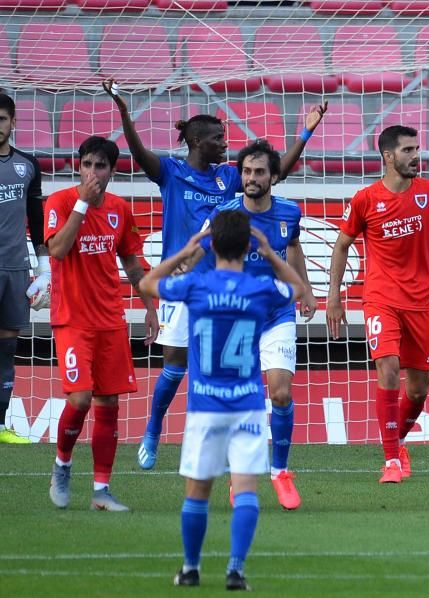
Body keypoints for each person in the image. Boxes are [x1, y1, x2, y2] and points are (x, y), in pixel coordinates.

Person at [100, 78, 326, 471]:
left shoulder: (229, 178)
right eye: (219, 138)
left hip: (221, 281)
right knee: (175, 363)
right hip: (182, 280)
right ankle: (153, 429)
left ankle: (232, 451)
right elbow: (137, 153)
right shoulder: (170, 171)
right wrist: (123, 111)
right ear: (197, 142)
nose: (226, 143)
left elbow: (276, 172)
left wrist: (305, 131)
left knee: (219, 371)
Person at [139, 211, 305, 590]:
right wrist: (272, 253)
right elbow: (297, 290)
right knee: (246, 489)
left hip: (205, 407)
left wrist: (186, 250)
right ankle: (235, 569)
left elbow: (149, 283)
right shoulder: (259, 289)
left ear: (211, 244)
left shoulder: (197, 285)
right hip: (246, 405)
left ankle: (191, 568)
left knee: (198, 493)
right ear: (249, 246)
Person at [192, 139, 317, 510]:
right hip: (236, 318)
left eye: (259, 171)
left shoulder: (289, 213)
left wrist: (306, 290)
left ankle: (280, 470)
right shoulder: (226, 215)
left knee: (280, 393)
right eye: (246, 171)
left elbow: (293, 248)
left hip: (277, 312)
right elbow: (201, 255)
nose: (251, 177)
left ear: (273, 177)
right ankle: (241, 473)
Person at [326, 125, 429, 484]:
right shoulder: (366, 199)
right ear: (388, 156)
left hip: (423, 302)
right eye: (408, 150)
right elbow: (341, 245)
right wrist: (334, 296)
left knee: (418, 391)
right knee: (389, 370)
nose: (416, 156)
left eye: (417, 148)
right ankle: (390, 461)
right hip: (381, 299)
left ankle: (395, 444)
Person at [45, 136, 158, 511]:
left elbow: (131, 263)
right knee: (79, 399)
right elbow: (57, 250)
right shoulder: (60, 202)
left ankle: (101, 491)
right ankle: (62, 464)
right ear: (79, 166)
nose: (93, 172)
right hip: (72, 319)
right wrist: (82, 204)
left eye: (101, 166)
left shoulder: (120, 209)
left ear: (113, 170)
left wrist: (150, 308)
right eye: (88, 164)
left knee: (108, 402)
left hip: (110, 319)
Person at [0, 92, 48, 444]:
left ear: (13, 122)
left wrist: (44, 270)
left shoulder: (28, 165)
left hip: (16, 269)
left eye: (2, 119)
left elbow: (36, 221)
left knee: (7, 349)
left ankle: (0, 425)